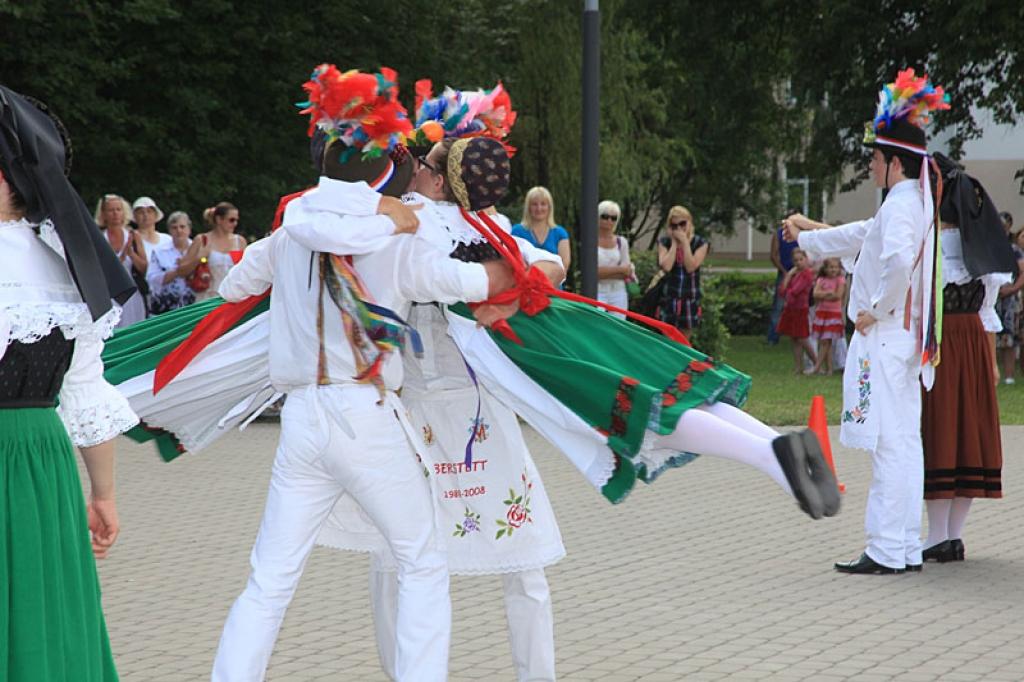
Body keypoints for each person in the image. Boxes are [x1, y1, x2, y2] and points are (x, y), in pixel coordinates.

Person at [208, 66, 518, 682]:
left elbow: (232, 283)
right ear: (384, 173)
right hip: (365, 414)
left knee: (268, 581)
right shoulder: (397, 235)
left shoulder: (289, 230)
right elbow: (470, 282)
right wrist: (514, 278)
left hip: (299, 420)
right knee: (422, 562)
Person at [316, 85, 567, 681]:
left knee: (431, 556)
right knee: (419, 555)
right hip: (427, 410)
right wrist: (523, 277)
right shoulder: (445, 226)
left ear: (444, 177)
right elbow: (540, 265)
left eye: (426, 162)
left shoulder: (468, 225)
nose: (414, 169)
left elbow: (549, 262)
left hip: (460, 410)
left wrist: (528, 275)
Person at [785, 68, 950, 575]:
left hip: (889, 333)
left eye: (876, 158)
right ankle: (900, 545)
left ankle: (885, 548)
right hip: (905, 336)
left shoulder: (902, 205)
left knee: (888, 441)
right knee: (903, 440)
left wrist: (875, 311)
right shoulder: (909, 202)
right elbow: (863, 235)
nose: (872, 165)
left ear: (894, 163)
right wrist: (809, 239)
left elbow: (897, 261)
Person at [1, 84, 138, 682]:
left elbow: (83, 390)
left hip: (31, 461)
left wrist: (102, 495)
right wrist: (102, 494)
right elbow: (85, 391)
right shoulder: (66, 262)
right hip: (44, 462)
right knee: (39, 612)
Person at [919, 154, 1016, 563]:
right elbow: (987, 312)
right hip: (973, 344)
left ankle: (938, 536)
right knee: (968, 432)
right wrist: (991, 361)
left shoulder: (932, 246)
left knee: (940, 430)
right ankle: (951, 536)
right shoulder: (982, 247)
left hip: (941, 343)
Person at [95, 193, 147, 326]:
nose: (115, 214)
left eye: (118, 209)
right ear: (104, 214)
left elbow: (144, 267)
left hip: (132, 294)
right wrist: (121, 257)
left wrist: (131, 254)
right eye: (111, 210)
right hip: (109, 296)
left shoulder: (134, 236)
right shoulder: (100, 238)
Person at [656, 205, 709, 331]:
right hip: (669, 298)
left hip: (689, 298)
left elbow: (691, 266)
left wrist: (685, 243)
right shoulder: (665, 242)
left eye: (682, 224)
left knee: (684, 341)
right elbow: (666, 266)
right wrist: (674, 244)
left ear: (689, 223)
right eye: (674, 226)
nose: (679, 228)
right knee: (667, 340)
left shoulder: (700, 243)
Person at [191, 201, 246, 302]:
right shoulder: (202, 239)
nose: (235, 224)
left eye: (236, 220)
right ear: (219, 219)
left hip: (232, 298)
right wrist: (200, 258)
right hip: (207, 298)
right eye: (231, 220)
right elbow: (183, 271)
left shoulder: (240, 241)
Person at [146, 210, 196, 314]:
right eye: (174, 227)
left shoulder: (197, 249)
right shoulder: (159, 251)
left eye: (182, 227)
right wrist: (177, 271)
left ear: (189, 229)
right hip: (165, 308)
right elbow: (152, 279)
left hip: (193, 306)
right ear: (169, 230)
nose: (179, 230)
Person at [777, 248, 818, 374]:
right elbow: (782, 291)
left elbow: (794, 291)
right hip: (790, 308)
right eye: (796, 260)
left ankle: (817, 363)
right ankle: (798, 366)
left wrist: (788, 278)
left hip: (800, 309)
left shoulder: (806, 275)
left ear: (806, 260)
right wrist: (789, 276)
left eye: (801, 259)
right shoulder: (795, 274)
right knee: (794, 338)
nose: (799, 262)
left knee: (802, 338)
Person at [511, 186, 571, 272]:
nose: (539, 208)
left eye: (543, 204)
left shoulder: (560, 233)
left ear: (549, 207)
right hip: (525, 282)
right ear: (528, 207)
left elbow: (564, 266)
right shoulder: (517, 232)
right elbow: (514, 261)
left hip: (553, 283)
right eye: (534, 204)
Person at [995, 213, 1024, 384]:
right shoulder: (988, 247)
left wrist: (1011, 289)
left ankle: (1009, 376)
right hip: (992, 297)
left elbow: (1022, 272)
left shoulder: (1014, 250)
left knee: (1009, 337)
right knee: (992, 334)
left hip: (1010, 299)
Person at [768, 209, 800, 344]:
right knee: (778, 305)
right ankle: (773, 337)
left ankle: (798, 335)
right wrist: (784, 271)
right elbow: (774, 255)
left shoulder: (801, 235)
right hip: (784, 273)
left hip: (799, 273)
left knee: (801, 305)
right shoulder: (779, 234)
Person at [811, 257, 847, 375]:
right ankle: (829, 369)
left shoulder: (840, 280)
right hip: (822, 312)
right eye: (831, 267)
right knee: (825, 341)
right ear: (825, 269)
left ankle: (817, 367)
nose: (833, 270)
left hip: (833, 313)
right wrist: (827, 293)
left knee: (826, 341)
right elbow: (815, 294)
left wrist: (823, 295)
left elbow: (838, 295)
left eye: (836, 267)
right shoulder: (821, 279)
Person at [596, 199, 632, 318]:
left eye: (613, 218)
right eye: (605, 216)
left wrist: (604, 272)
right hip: (597, 291)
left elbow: (627, 272)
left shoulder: (621, 242)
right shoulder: (591, 240)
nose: (609, 221)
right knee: (597, 325)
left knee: (618, 327)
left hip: (618, 291)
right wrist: (619, 269)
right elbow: (593, 272)